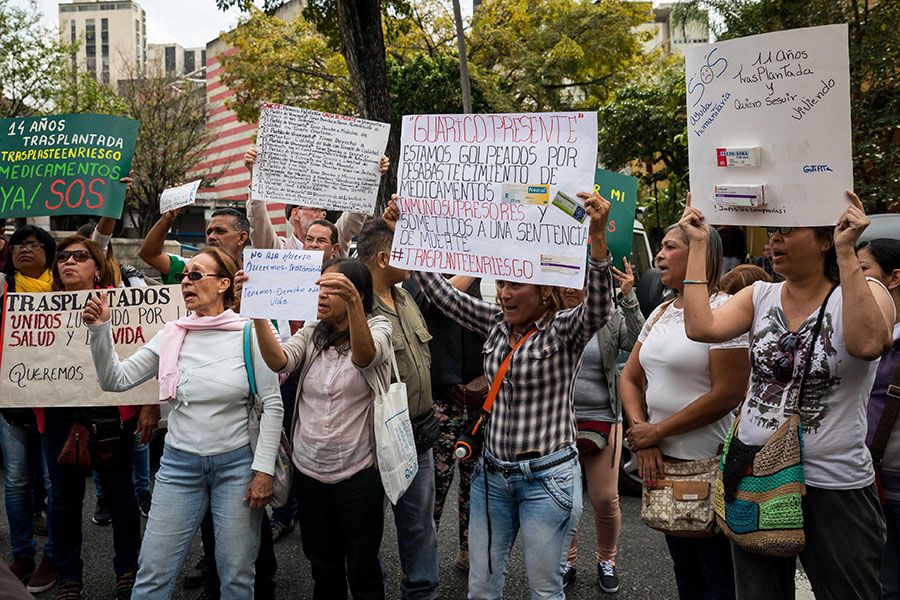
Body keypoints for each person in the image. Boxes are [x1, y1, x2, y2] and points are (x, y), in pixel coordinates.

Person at [384, 191, 614, 599]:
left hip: (548, 478)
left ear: (544, 291)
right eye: (501, 283)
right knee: (482, 589)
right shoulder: (493, 320)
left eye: (516, 284)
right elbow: (441, 293)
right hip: (492, 477)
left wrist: (597, 238)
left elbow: (597, 308)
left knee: (544, 589)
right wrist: (409, 228)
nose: (504, 293)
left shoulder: (563, 330)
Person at [679, 192, 893, 600]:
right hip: (756, 476)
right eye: (773, 231)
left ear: (825, 239)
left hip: (834, 486)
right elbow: (701, 326)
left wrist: (849, 252)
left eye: (787, 230)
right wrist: (699, 244)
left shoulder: (867, 290)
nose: (773, 240)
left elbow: (868, 344)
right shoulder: (760, 295)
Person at [83, 246, 283, 599]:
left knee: (236, 576)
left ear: (224, 284)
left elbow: (272, 405)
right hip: (178, 467)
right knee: (152, 575)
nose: (185, 282)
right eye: (184, 275)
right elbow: (115, 379)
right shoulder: (173, 332)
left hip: (236, 468)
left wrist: (263, 472)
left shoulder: (250, 333)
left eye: (195, 275)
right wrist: (100, 331)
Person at [247, 258, 392, 600]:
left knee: (362, 567)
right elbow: (279, 361)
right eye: (320, 287)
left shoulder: (381, 325)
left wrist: (356, 306)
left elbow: (365, 357)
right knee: (323, 566)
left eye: (334, 289)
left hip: (359, 472)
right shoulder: (313, 331)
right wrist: (256, 312)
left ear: (357, 293)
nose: (322, 295)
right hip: (310, 472)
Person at [620, 223, 750, 600]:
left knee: (719, 576)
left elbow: (728, 393)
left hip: (710, 465)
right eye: (660, 247)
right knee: (685, 572)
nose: (658, 255)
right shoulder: (661, 311)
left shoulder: (726, 309)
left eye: (669, 247)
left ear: (699, 253)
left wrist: (657, 432)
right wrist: (642, 432)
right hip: (665, 465)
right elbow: (629, 378)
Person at [42, 235, 155, 600]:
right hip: (59, 417)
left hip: (111, 415)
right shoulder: (37, 307)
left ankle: (127, 571)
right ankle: (69, 576)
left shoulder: (120, 302)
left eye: (79, 256)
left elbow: (143, 353)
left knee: (120, 496)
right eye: (62, 256)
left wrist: (146, 404)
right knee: (63, 498)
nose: (69, 262)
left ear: (97, 266)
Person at [356, 218, 440, 598]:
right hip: (373, 439)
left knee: (419, 525)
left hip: (417, 433)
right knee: (366, 529)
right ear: (384, 258)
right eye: (405, 250)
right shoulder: (358, 310)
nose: (414, 257)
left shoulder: (406, 297)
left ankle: (422, 592)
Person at [560, 257, 645, 594]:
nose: (570, 288)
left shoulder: (608, 317)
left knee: (605, 499)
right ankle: (568, 560)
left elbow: (639, 341)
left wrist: (629, 297)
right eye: (564, 280)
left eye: (577, 281)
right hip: (558, 420)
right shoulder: (547, 316)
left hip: (605, 418)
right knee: (564, 500)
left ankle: (607, 559)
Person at [403, 273, 484, 574]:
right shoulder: (417, 278)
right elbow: (432, 303)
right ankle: (426, 557)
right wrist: (472, 268)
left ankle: (468, 550)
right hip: (440, 400)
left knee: (474, 485)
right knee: (434, 487)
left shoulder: (475, 284)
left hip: (476, 399)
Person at [76, 220, 153, 524]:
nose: (73, 262)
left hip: (130, 371)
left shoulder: (130, 280)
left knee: (137, 440)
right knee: (99, 439)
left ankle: (142, 491)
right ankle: (103, 498)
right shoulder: (60, 291)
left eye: (85, 254)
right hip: (90, 379)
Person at [0, 225, 59, 593]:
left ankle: (54, 553)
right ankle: (22, 552)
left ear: (48, 253)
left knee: (55, 484)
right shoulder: (4, 288)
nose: (25, 249)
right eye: (19, 244)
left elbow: (99, 248)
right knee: (17, 482)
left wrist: (110, 210)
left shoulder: (65, 288)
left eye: (34, 244)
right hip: (13, 403)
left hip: (55, 402)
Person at [242, 148, 389, 259]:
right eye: (316, 209)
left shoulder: (333, 240)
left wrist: (371, 177)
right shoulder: (279, 248)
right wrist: (255, 177)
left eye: (323, 211)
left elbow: (354, 216)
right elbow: (259, 222)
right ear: (295, 213)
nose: (322, 215)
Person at [858, 239, 900, 600]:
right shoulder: (856, 330)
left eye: (863, 270)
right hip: (870, 480)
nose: (852, 279)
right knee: (881, 582)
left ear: (894, 278)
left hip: (894, 477)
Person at [138, 207, 250, 283]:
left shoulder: (255, 274)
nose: (211, 237)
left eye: (220, 231)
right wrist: (167, 219)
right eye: (209, 232)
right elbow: (149, 254)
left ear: (241, 238)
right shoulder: (189, 268)